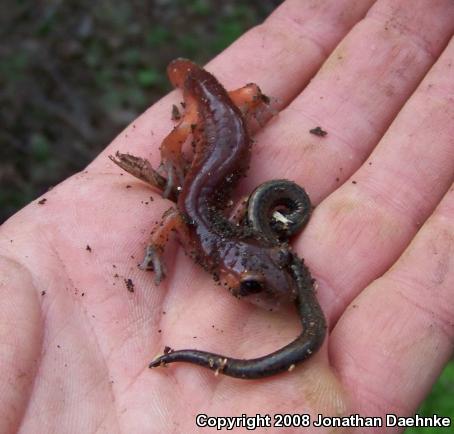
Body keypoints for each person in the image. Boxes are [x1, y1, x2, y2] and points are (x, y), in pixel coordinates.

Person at [1, 0, 453, 432]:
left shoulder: (208, 228)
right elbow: (172, 222)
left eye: (266, 276)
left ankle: (245, 104)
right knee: (185, 132)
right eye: (251, 287)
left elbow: (186, 220)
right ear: (224, 269)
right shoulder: (199, 227)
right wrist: (155, 246)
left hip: (226, 113)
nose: (275, 294)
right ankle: (204, 118)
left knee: (244, 99)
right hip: (208, 106)